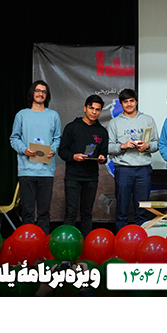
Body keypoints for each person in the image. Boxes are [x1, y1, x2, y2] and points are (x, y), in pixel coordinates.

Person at [10, 80, 62, 235]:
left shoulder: (53, 115)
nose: (40, 94)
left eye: (44, 92)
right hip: (26, 171)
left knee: (44, 213)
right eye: (38, 91)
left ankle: (43, 243)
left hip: (46, 171)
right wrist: (24, 150)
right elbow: (14, 138)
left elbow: (57, 138)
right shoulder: (21, 115)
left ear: (47, 95)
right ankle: (28, 243)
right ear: (32, 93)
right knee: (27, 212)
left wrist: (53, 149)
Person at [108, 88, 159, 232]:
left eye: (131, 101)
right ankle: (120, 239)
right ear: (121, 104)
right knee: (121, 209)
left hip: (143, 169)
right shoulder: (114, 123)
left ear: (136, 102)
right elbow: (108, 147)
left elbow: (156, 143)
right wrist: (123, 146)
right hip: (123, 170)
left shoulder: (147, 119)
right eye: (125, 101)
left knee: (142, 209)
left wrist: (147, 146)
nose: (129, 104)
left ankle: (141, 239)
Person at [58, 94, 109, 238]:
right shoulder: (71, 127)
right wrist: (73, 156)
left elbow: (104, 153)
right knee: (70, 212)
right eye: (91, 108)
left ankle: (86, 244)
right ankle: (66, 243)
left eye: (97, 109)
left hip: (91, 178)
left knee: (87, 213)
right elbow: (62, 151)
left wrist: (102, 158)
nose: (94, 112)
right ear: (85, 108)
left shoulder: (102, 131)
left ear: (100, 111)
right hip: (72, 177)